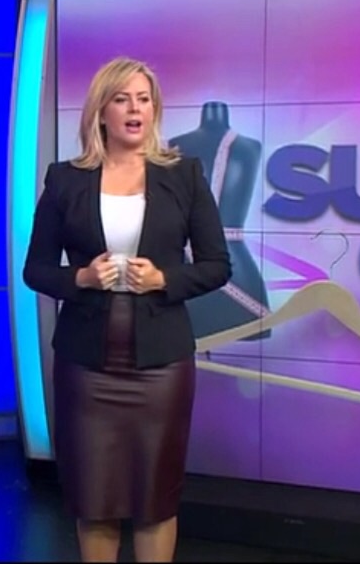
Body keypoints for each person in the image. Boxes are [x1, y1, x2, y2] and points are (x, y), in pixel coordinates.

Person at [22, 57, 232, 562]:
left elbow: (217, 265)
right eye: (122, 99)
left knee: (155, 502)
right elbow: (36, 270)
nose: (135, 109)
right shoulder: (65, 180)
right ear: (101, 111)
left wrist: (164, 279)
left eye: (143, 99)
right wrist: (81, 278)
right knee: (95, 502)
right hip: (86, 364)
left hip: (161, 363)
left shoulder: (184, 175)